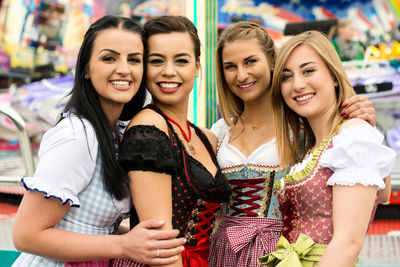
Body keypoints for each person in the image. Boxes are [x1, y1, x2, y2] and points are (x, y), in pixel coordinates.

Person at [12, 15, 185, 266]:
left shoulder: (118, 131)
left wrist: (142, 239)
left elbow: (89, 227)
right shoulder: (76, 134)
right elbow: (26, 235)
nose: (124, 69)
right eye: (109, 58)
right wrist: (124, 245)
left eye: (134, 59)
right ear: (85, 69)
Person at [208, 21, 378, 267]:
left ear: (272, 64)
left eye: (250, 61)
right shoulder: (218, 132)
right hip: (224, 250)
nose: (241, 75)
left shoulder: (304, 128)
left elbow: (375, 194)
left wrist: (362, 123)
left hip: (284, 250)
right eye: (230, 67)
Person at [258, 30, 395, 267]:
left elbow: (348, 243)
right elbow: (381, 193)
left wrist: (364, 131)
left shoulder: (353, 135)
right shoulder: (314, 145)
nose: (298, 84)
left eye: (308, 70)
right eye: (286, 76)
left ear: (334, 75)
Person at [112, 16, 231, 267]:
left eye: (181, 60)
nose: (169, 71)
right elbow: (160, 246)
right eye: (157, 61)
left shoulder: (205, 137)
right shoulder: (148, 129)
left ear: (197, 66)